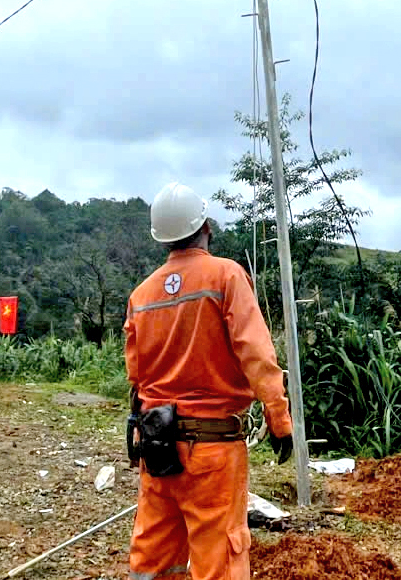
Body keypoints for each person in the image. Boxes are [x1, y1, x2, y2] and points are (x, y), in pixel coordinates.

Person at [125, 182, 293, 580]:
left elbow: (136, 374)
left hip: (158, 444)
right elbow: (256, 353)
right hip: (213, 451)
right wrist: (279, 419)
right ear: (206, 227)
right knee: (219, 555)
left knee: (154, 556)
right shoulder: (225, 276)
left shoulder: (141, 295)